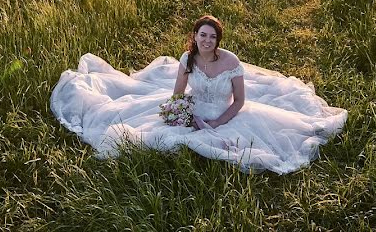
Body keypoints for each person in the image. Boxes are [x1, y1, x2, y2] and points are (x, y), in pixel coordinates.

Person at [50, 15, 347, 174]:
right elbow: (178, 93)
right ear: (194, 37)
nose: (206, 40)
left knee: (246, 144)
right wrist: (181, 113)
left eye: (212, 36)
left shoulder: (231, 63)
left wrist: (217, 123)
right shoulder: (187, 59)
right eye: (202, 35)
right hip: (193, 108)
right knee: (152, 134)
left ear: (219, 40)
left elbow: (240, 101)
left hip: (225, 113)